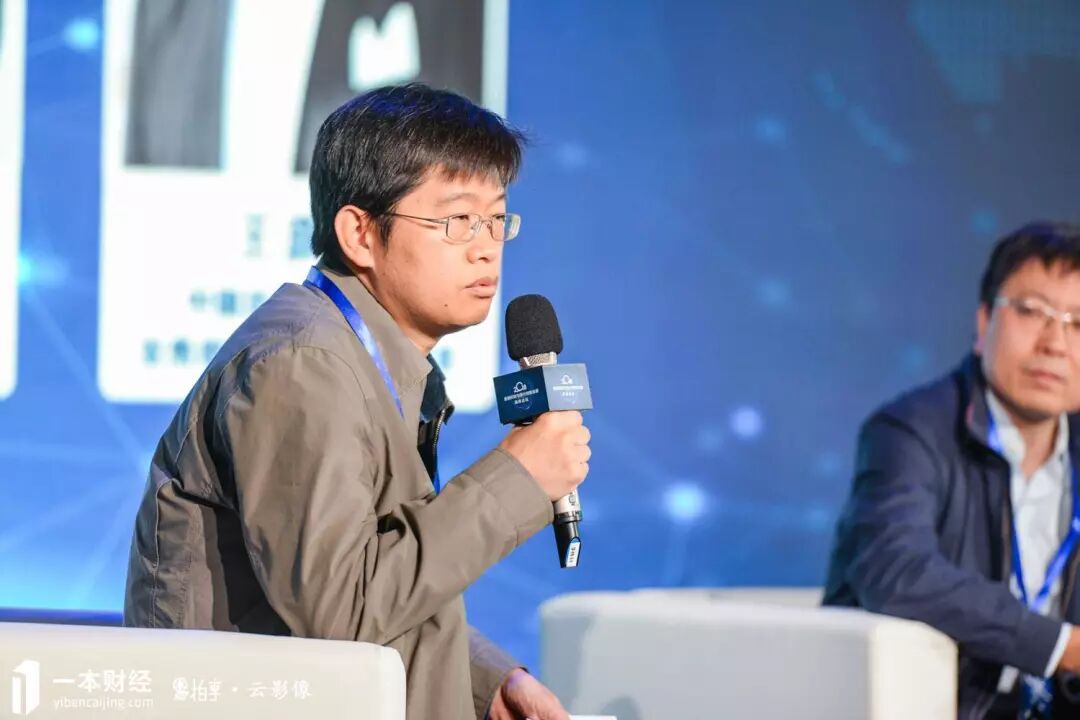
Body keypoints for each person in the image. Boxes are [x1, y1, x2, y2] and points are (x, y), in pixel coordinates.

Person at [124, 83, 591, 720]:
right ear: (360, 233)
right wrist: (518, 477)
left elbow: (375, 576)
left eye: (496, 220)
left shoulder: (360, 355)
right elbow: (341, 610)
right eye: (457, 221)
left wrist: (485, 683)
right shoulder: (301, 364)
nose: (486, 246)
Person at [824, 222, 1080, 719]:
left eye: (1078, 323)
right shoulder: (909, 431)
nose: (1055, 343)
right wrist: (1060, 646)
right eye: (1032, 311)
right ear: (984, 324)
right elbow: (895, 569)